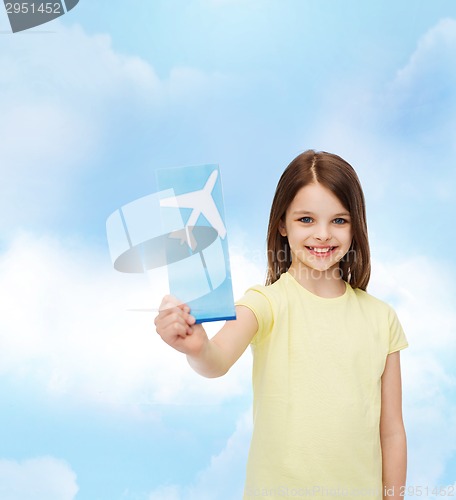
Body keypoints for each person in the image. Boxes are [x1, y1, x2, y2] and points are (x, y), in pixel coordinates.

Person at [154, 150, 408, 500]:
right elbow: (215, 360)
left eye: (339, 220)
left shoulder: (382, 318)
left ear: (356, 226)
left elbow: (391, 431)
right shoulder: (266, 303)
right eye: (306, 219)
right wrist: (196, 347)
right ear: (282, 224)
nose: (322, 234)